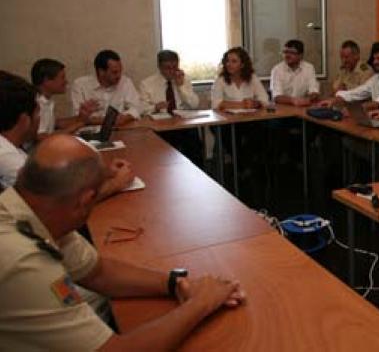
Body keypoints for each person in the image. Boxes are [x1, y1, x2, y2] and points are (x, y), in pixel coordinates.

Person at [0, 135, 245, 350]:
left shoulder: (36, 212)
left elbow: (97, 272)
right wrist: (201, 303)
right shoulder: (23, 262)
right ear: (84, 201)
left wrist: (177, 283)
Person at [0, 71, 134, 196]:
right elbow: (58, 201)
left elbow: (50, 180)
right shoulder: (9, 158)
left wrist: (102, 174)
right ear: (24, 120)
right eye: (37, 114)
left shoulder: (12, 148)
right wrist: (116, 184)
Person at [322, 42, 379, 111]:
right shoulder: (376, 78)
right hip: (378, 118)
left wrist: (357, 109)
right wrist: (334, 100)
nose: (375, 62)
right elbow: (358, 92)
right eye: (374, 59)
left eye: (378, 59)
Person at [71, 50, 142, 126]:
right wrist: (110, 121)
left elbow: (137, 107)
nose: (119, 75)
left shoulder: (125, 82)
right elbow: (78, 118)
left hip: (119, 129)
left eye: (120, 71)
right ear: (101, 72)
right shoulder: (80, 85)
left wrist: (124, 118)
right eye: (114, 72)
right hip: (90, 130)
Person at [31, 59, 95, 139]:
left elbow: (55, 124)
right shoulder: (37, 103)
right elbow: (41, 138)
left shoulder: (47, 100)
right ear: (46, 80)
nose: (66, 82)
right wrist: (79, 124)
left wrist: (81, 117)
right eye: (62, 77)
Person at [140, 50, 199, 115]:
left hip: (182, 119)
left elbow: (194, 105)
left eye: (174, 67)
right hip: (160, 120)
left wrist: (181, 86)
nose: (172, 71)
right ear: (159, 67)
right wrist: (155, 107)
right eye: (167, 68)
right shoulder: (146, 84)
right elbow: (142, 110)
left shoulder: (184, 79)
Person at [270, 40, 319, 106]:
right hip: (283, 108)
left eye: (292, 53)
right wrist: (293, 101)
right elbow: (276, 97)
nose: (287, 55)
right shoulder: (277, 70)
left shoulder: (309, 68)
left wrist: (308, 99)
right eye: (285, 52)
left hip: (303, 106)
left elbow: (314, 91)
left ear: (301, 55)